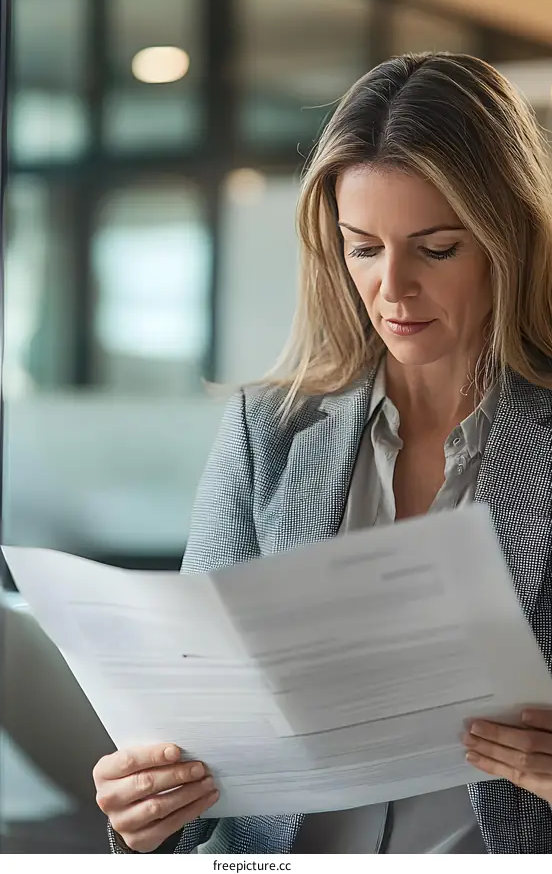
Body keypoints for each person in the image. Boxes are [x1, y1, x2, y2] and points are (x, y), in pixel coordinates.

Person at [94, 52, 552, 854]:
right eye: (362, 246)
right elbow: (196, 759)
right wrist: (148, 815)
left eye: (437, 248)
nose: (392, 288)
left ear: (510, 236)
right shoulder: (264, 433)